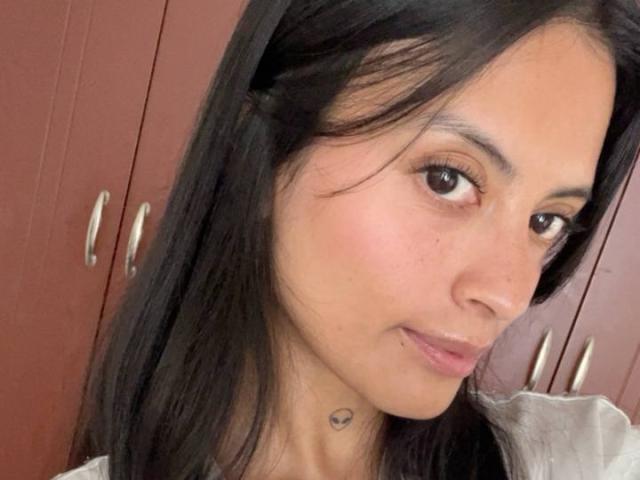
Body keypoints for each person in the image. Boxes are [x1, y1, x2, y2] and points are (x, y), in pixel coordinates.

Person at [53, 1, 640, 479]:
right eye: (447, 179)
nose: (508, 295)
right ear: (259, 155)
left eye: (547, 221)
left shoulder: (581, 460)